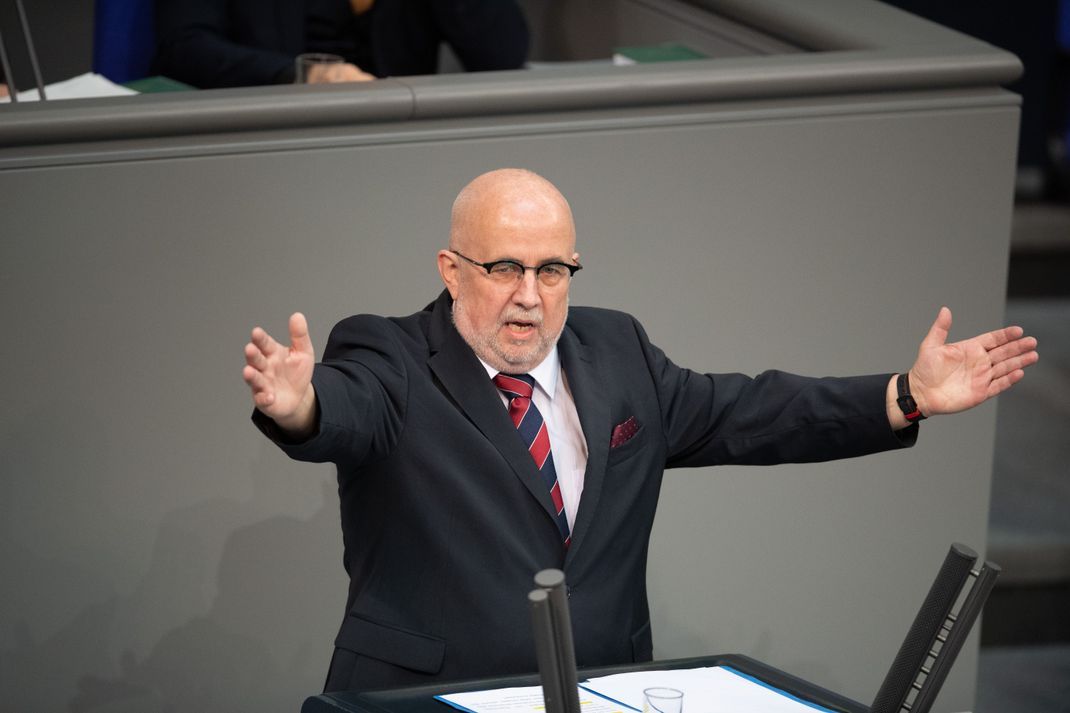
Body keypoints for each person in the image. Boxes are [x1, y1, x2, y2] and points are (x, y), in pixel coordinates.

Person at [243, 168, 1039, 692]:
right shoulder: (390, 354)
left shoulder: (614, 349)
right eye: (504, 268)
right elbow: (345, 410)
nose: (530, 295)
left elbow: (746, 412)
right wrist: (298, 406)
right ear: (451, 270)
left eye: (552, 270)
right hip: (427, 699)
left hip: (596, 691)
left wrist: (906, 393)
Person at [153, 0, 530, 89]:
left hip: (400, 141)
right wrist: (304, 74)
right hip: (263, 142)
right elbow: (184, 47)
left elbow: (502, 53)